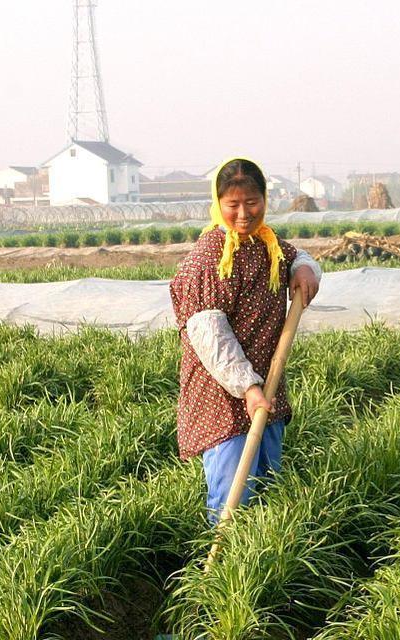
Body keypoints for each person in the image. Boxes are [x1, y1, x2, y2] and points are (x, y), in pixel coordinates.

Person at [170, 157, 322, 525]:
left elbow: (298, 256)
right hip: (222, 393)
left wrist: (304, 268)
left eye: (252, 203)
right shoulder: (209, 258)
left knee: (269, 482)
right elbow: (209, 336)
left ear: (265, 200)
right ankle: (224, 572)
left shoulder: (265, 243)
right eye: (233, 204)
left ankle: (265, 556)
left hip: (265, 387)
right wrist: (247, 387)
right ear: (218, 203)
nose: (243, 213)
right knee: (232, 494)